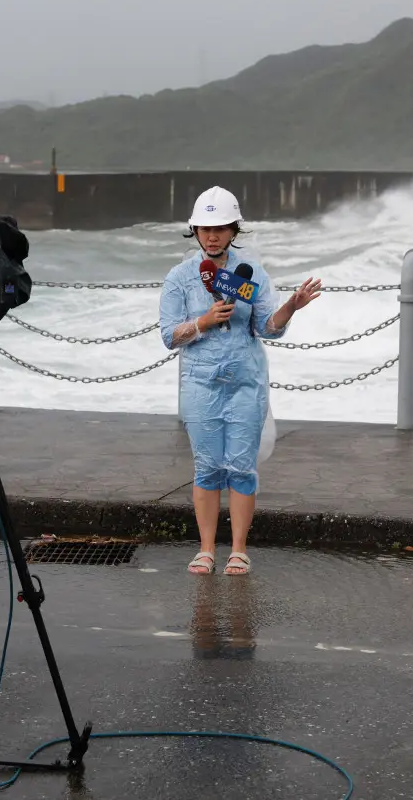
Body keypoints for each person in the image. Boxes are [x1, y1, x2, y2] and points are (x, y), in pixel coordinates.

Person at [158, 186, 322, 576]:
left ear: (234, 230)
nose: (212, 236)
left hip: (246, 382)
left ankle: (239, 550)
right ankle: (205, 550)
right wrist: (203, 321)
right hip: (201, 383)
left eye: (220, 228)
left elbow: (268, 327)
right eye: (205, 228)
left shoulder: (252, 275)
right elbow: (168, 336)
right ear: (194, 231)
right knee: (207, 467)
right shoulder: (180, 278)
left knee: (241, 467)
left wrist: (291, 306)